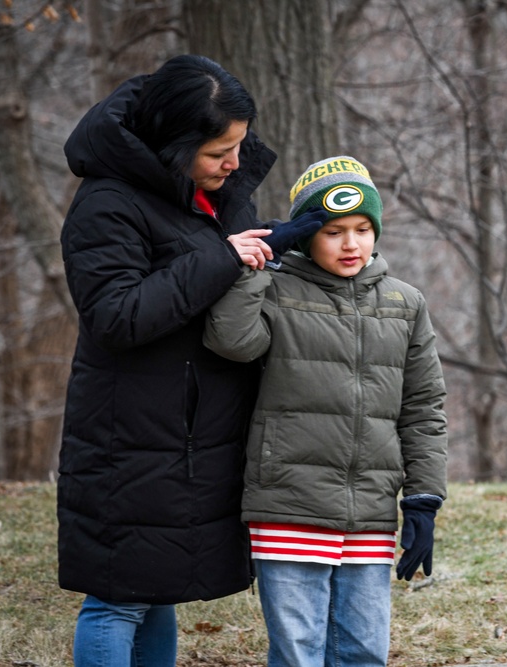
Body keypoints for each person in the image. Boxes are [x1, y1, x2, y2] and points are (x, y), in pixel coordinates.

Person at [57, 55, 326, 667]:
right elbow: (117, 316)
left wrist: (276, 241)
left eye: (239, 147)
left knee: (156, 595)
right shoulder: (106, 203)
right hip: (130, 433)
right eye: (217, 152)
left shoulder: (205, 192)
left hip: (188, 433)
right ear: (171, 145)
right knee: (117, 599)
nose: (233, 164)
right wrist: (227, 258)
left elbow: (212, 274)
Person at [203, 155, 449, 667]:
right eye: (334, 230)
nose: (351, 243)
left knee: (363, 652)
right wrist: (262, 259)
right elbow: (230, 340)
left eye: (363, 229)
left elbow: (424, 407)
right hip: (288, 504)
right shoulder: (276, 289)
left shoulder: (405, 303)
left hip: (370, 510)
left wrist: (424, 496)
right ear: (307, 233)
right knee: (298, 652)